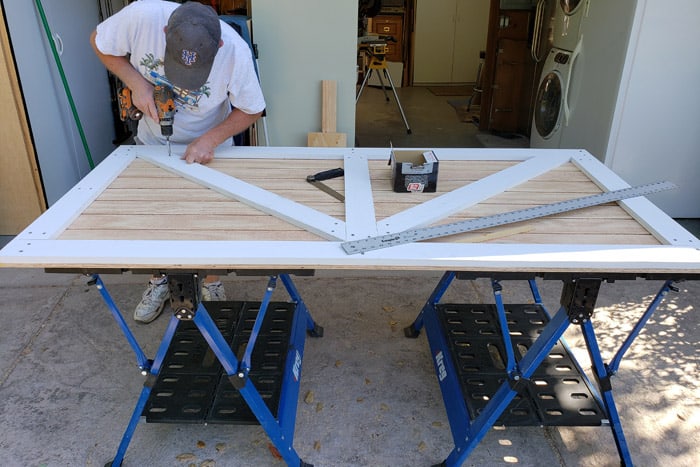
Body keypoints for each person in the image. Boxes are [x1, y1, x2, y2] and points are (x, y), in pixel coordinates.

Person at [91, 1, 265, 323]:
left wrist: (209, 139)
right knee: (154, 219)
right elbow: (99, 42)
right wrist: (137, 83)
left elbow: (252, 109)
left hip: (210, 146)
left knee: (209, 221)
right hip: (152, 142)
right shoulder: (142, 17)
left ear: (220, 46)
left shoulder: (235, 51)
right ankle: (159, 280)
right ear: (164, 33)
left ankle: (211, 282)